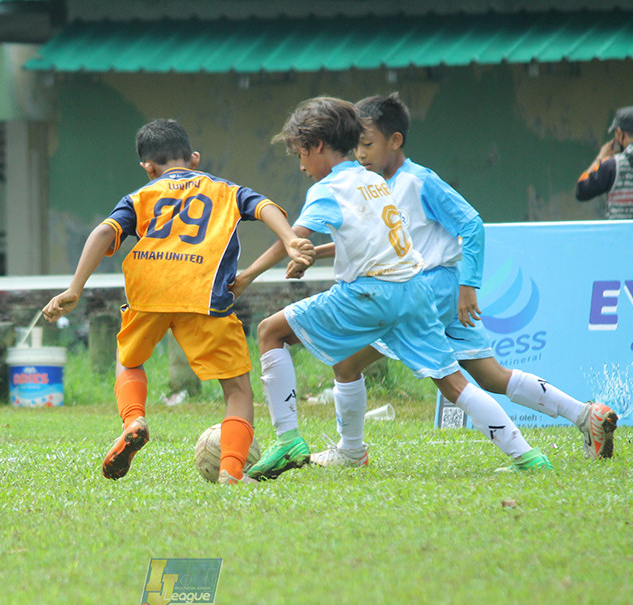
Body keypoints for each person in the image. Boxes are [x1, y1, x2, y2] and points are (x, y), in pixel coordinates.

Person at [293, 92, 617, 470]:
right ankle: (585, 415)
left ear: (394, 141)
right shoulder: (378, 185)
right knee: (491, 375)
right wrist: (320, 252)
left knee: (348, 364)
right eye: (356, 146)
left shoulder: (419, 181)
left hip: (423, 290)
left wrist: (469, 285)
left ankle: (351, 452)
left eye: (367, 144)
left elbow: (471, 224)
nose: (361, 154)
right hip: (433, 290)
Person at [236, 96, 551, 482]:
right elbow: (368, 237)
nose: (301, 166)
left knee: (270, 331)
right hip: (414, 292)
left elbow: (294, 236)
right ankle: (527, 456)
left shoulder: (327, 189)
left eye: (301, 154)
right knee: (453, 383)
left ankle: (287, 439)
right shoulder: (374, 181)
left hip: (370, 294)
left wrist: (249, 274)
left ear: (318, 146)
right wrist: (310, 254)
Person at [42, 118, 313, 484]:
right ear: (195, 158)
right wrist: (290, 239)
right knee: (236, 390)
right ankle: (232, 472)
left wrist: (75, 287)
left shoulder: (142, 196)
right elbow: (266, 207)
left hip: (148, 292)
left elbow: (105, 231)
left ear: (148, 168)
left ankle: (134, 419)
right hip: (204, 294)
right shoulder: (224, 190)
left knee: (129, 362)